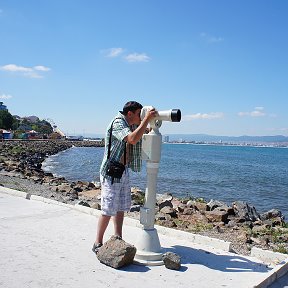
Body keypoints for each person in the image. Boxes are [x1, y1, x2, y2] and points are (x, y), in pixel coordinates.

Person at [92, 101, 156, 254]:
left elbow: (144, 131)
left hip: (123, 170)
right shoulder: (118, 124)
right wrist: (146, 119)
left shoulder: (130, 124)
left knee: (120, 207)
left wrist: (151, 120)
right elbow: (132, 139)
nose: (141, 117)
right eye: (139, 113)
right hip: (111, 172)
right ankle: (97, 242)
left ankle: (117, 237)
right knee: (108, 209)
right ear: (130, 113)